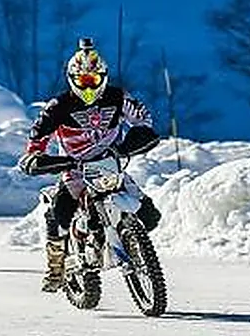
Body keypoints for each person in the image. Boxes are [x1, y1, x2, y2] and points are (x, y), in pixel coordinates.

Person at [19, 38, 161, 292]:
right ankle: (56, 268)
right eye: (83, 80)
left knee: (150, 216)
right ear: (73, 78)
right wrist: (34, 156)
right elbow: (37, 137)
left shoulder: (118, 97)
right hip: (75, 170)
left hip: (111, 164)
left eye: (93, 79)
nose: (88, 85)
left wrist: (137, 138)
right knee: (61, 212)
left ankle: (131, 243)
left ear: (102, 77)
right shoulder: (58, 106)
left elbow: (143, 119)